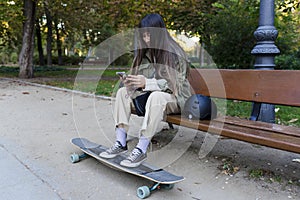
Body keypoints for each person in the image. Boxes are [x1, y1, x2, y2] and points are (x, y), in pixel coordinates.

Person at [100, 13, 191, 168]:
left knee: (156, 97)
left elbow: (176, 85)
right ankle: (120, 142)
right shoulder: (145, 53)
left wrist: (147, 83)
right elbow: (139, 81)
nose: (146, 39)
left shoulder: (176, 53)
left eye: (150, 35)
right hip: (150, 98)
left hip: (176, 99)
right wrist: (131, 84)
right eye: (144, 35)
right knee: (122, 93)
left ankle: (141, 149)